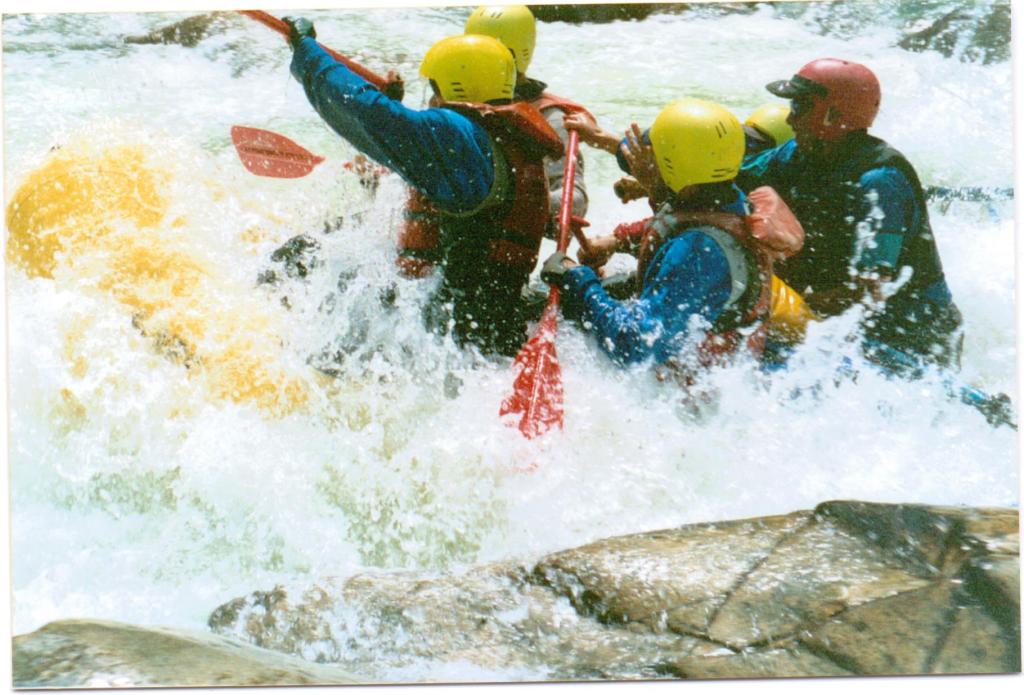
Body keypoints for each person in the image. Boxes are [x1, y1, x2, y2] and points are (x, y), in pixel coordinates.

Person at [282, 18, 564, 356]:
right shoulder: (500, 137)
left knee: (304, 256)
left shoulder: (456, 138)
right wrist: (396, 107)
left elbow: (365, 112)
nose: (431, 99)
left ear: (453, 88)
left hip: (451, 337)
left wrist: (307, 50)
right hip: (487, 325)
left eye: (434, 89)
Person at [540, 98, 802, 372]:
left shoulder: (698, 250)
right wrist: (616, 241)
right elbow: (678, 222)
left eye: (649, 156)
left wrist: (578, 280)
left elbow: (634, 346)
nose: (640, 162)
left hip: (694, 399)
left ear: (673, 166)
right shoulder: (727, 199)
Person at [737, 58, 963, 372]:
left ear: (834, 116)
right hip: (844, 329)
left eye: (800, 106)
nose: (790, 119)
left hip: (910, 339)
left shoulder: (880, 182)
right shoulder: (796, 154)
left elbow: (870, 293)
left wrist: (788, 306)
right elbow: (729, 178)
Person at [397, 5, 596, 277]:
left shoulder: (550, 118)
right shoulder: (452, 105)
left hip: (494, 259)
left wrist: (517, 200)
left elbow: (574, 200)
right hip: (440, 252)